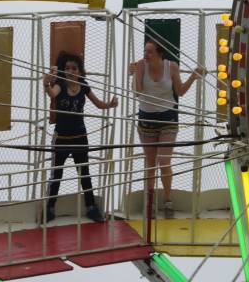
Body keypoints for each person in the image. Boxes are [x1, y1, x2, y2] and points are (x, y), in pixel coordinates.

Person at [129, 38, 205, 217]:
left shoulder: (171, 66)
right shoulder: (141, 66)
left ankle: (168, 200)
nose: (146, 55)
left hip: (168, 118)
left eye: (150, 52)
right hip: (146, 118)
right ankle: (150, 201)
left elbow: (180, 91)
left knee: (164, 161)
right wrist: (135, 74)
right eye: (145, 51)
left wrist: (193, 77)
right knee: (150, 163)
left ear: (159, 54)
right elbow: (137, 93)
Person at [43, 51, 118, 223]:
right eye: (67, 67)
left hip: (80, 137)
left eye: (74, 68)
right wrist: (46, 84)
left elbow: (98, 104)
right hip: (61, 137)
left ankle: (91, 208)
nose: (70, 70)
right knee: (56, 174)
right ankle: (50, 207)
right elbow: (52, 94)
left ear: (79, 71)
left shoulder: (83, 84)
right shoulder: (60, 83)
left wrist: (110, 105)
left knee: (84, 173)